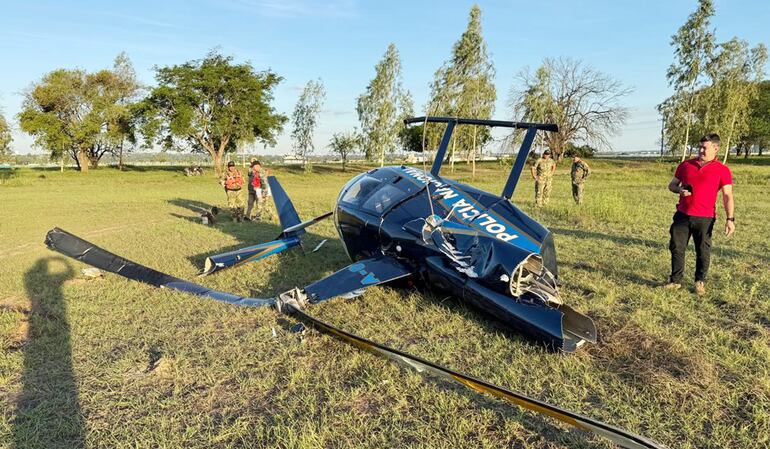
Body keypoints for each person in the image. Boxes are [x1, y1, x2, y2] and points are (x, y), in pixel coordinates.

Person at [663, 133, 734, 295]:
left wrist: (730, 219)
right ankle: (675, 281)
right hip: (682, 215)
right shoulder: (685, 165)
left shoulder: (722, 170)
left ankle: (699, 282)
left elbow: (727, 195)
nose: (701, 150)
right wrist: (679, 190)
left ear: (716, 148)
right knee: (676, 247)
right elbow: (672, 185)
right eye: (700, 147)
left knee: (703, 250)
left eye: (705, 147)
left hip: (705, 218)